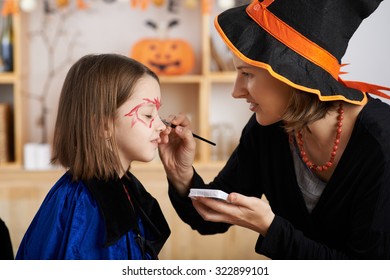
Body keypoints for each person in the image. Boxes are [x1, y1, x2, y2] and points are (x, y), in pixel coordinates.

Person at [158, 0, 390, 259]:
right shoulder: (268, 128)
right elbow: (211, 217)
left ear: (291, 77)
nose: (236, 92)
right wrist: (181, 174)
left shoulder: (381, 144)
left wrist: (270, 228)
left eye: (247, 74)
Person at [16, 54, 170, 259]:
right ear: (103, 126)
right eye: (148, 115)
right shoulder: (86, 207)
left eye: (159, 115)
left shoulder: (123, 188)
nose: (162, 126)